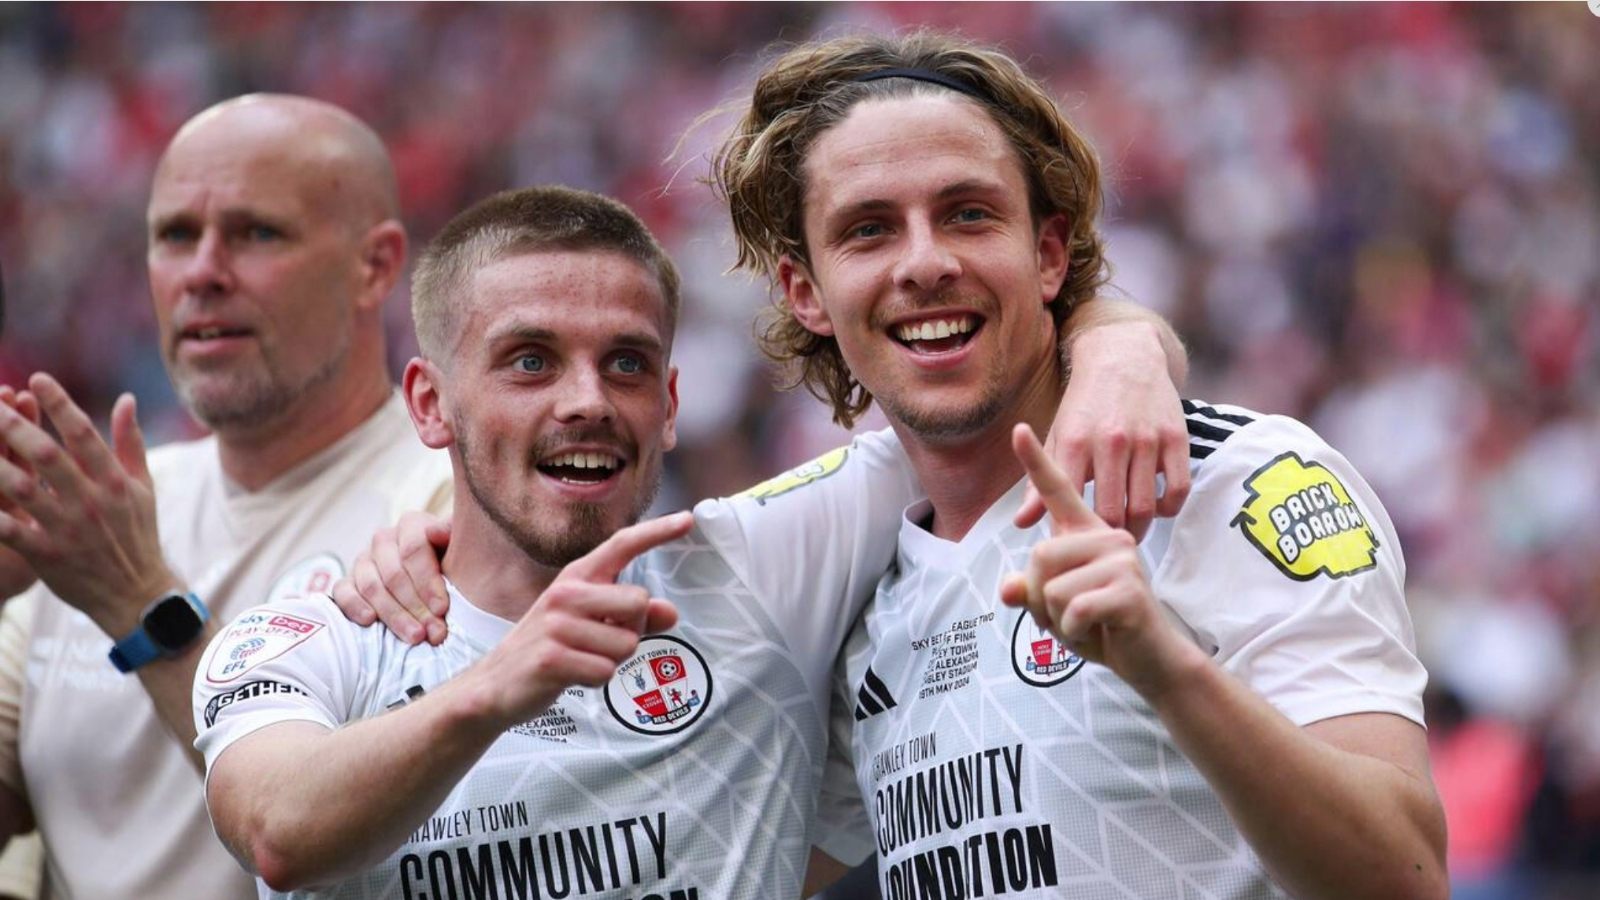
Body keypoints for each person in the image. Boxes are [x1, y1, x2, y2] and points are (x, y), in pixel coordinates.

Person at [193, 184, 1187, 899]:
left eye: (625, 364)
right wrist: (495, 684)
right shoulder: (306, 637)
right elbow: (277, 831)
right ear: (430, 402)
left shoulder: (759, 563)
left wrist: (1122, 345)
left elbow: (1014, 365)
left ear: (669, 403)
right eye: (529, 362)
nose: (587, 402)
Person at [706, 31, 1448, 899]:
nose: (925, 262)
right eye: (868, 231)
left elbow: (1406, 877)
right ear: (807, 293)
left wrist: (1165, 669)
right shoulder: (861, 579)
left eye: (968, 214)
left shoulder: (1245, 479)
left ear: (1050, 255)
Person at [0, 95, 452, 898]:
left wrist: (138, 602)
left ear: (375, 266)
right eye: (175, 235)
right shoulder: (86, 516)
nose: (202, 272)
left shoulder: (449, 507)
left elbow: (364, 854)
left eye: (255, 233)